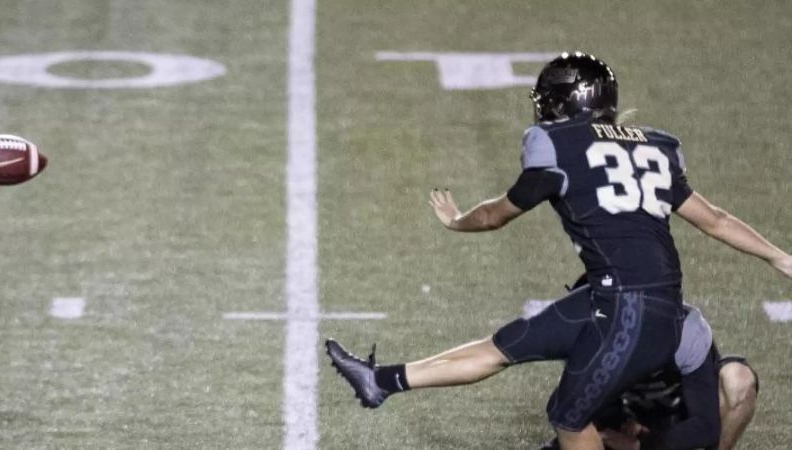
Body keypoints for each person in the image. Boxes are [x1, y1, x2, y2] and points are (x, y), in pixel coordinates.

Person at [325, 52, 792, 449]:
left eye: (550, 101)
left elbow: (496, 214)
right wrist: (780, 258)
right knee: (502, 347)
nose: (544, 111)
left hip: (630, 306)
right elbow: (715, 220)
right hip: (616, 297)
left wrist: (456, 220)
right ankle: (379, 381)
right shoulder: (657, 146)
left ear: (568, 101)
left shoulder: (557, 144)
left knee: (568, 416)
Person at [539, 297, 759, 450]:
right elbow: (563, 405)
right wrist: (616, 429)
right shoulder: (589, 335)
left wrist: (644, 444)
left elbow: (706, 426)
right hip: (628, 420)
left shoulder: (687, 331)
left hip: (679, 419)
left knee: (739, 379)